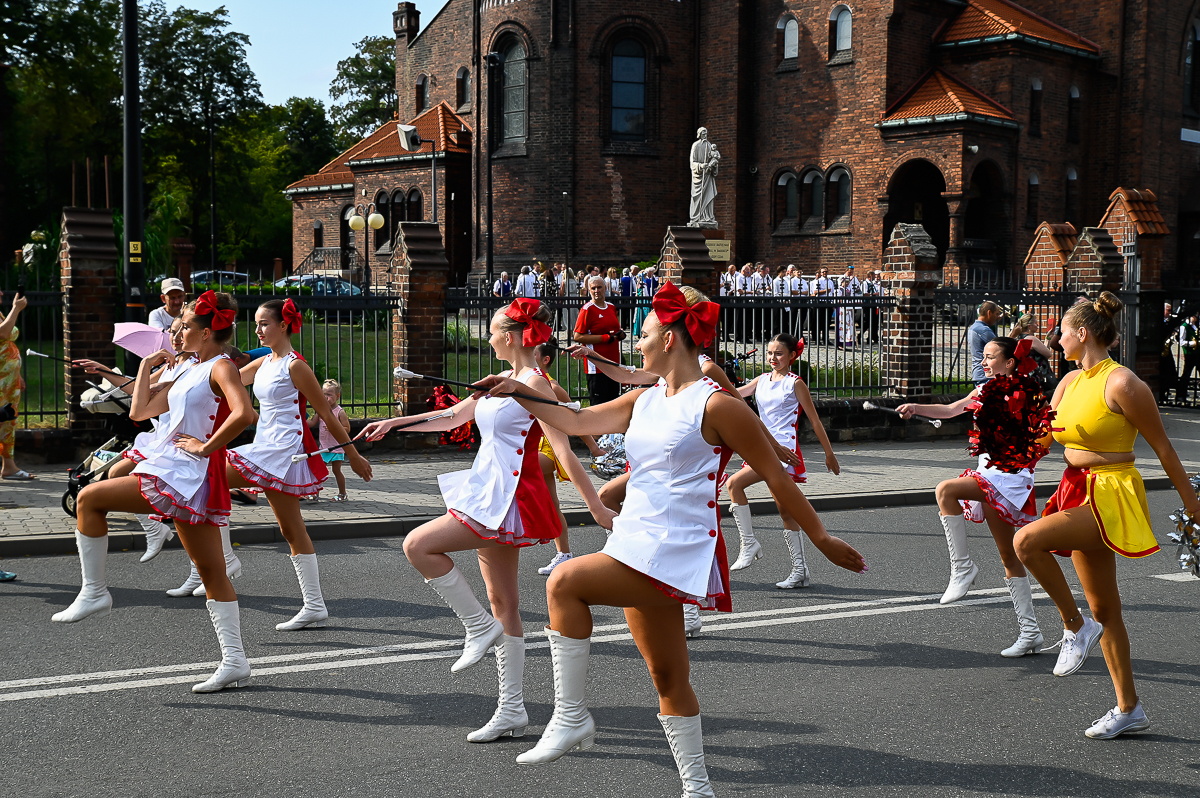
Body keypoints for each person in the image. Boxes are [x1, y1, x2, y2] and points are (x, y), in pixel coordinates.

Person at [477, 282, 865, 794]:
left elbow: (774, 475)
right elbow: (574, 420)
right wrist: (517, 391)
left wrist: (820, 538)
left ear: (670, 341)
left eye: (643, 335)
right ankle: (698, 787)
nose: (635, 344)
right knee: (668, 678)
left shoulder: (718, 406)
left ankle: (570, 717)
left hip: (676, 545)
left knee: (565, 582)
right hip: (635, 541)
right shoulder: (647, 397)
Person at [361, 298, 613, 745]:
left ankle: (477, 628)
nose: (489, 335)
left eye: (494, 329)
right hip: (486, 491)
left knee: (418, 545)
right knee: (505, 604)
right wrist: (394, 423)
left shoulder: (537, 385)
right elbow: (454, 416)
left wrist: (595, 507)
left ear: (513, 336)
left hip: (505, 497)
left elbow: (565, 448)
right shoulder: (504, 382)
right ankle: (511, 709)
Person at [1013, 292, 1200, 739]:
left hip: (1110, 490)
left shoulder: (1123, 384)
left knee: (1026, 543)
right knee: (1106, 610)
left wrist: (1193, 505)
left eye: (1062, 331)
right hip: (1074, 487)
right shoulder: (1069, 383)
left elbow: (1164, 448)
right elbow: (1042, 441)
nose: (1056, 338)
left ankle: (1073, 628)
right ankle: (1128, 708)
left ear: (1083, 334)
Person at [52, 291, 258, 693]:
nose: (175, 334)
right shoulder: (188, 368)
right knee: (212, 571)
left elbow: (244, 413)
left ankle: (95, 593)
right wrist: (146, 366)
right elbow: (139, 413)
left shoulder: (221, 367)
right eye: (176, 327)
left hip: (186, 470)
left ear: (207, 332)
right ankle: (235, 661)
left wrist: (206, 446)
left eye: (184, 328)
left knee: (91, 498)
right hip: (176, 471)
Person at [898, 337, 1053, 657]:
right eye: (983, 357)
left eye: (990, 357)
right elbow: (952, 408)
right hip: (988, 473)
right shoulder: (984, 390)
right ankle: (1030, 631)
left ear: (1009, 362)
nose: (984, 362)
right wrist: (916, 407)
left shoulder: (1026, 392)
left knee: (945, 490)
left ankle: (962, 567)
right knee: (1008, 555)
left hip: (1009, 476)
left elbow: (1046, 431)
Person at [226, 298, 372, 631]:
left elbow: (325, 415)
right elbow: (225, 379)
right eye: (256, 323)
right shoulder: (264, 363)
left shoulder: (295, 366)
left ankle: (222, 560)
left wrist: (352, 455)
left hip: (282, 450)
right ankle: (315, 606)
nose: (258, 329)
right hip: (266, 447)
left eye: (264, 323)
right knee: (292, 529)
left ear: (284, 326)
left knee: (209, 481)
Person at [725, 334, 840, 587]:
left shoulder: (795, 383)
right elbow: (732, 394)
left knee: (734, 485)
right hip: (763, 447)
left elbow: (815, 420)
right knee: (786, 511)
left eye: (778, 353)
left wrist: (829, 453)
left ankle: (749, 543)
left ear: (791, 356)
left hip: (783, 451)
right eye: (769, 353)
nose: (772, 358)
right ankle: (800, 571)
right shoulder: (761, 380)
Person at [532, 340, 606, 576]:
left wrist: (593, 447)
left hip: (551, 447)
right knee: (552, 504)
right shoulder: (523, 383)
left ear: (545, 360)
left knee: (522, 466)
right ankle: (563, 553)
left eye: (532, 353)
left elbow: (576, 421)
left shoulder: (553, 389)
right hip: (535, 444)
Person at [573, 276, 625, 409]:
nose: (596, 291)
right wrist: (605, 338)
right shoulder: (587, 309)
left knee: (614, 403)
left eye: (599, 287)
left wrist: (620, 334)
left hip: (613, 363)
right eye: (593, 288)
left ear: (606, 288)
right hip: (596, 366)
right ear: (589, 290)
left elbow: (614, 330)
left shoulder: (612, 307)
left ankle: (613, 430)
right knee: (599, 406)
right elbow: (578, 336)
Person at [0, 290, 32, 480]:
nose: (2, 292)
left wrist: (17, 375)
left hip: (8, 381)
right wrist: (16, 308)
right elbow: (3, 333)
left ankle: (9, 466)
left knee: (7, 422)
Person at [313, 379, 352, 501]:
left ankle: (342, 494)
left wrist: (333, 427)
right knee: (318, 471)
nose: (326, 397)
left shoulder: (339, 412)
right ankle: (315, 493)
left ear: (337, 396)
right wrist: (300, 421)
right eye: (323, 394)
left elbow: (347, 429)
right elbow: (312, 422)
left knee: (336, 470)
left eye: (329, 395)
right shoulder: (321, 410)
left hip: (337, 447)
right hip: (324, 447)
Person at [969, 301, 1002, 385]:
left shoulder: (974, 327)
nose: (998, 317)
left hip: (978, 373)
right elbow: (1001, 347)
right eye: (997, 314)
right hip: (986, 375)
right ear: (989, 313)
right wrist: (1013, 333)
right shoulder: (983, 330)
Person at [1178, 312, 1199, 402]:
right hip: (1189, 353)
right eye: (1196, 316)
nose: (1197, 318)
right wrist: (1193, 343)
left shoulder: (1196, 326)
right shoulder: (1184, 326)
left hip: (1197, 353)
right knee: (1186, 374)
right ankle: (1181, 394)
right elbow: (1181, 342)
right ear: (1192, 316)